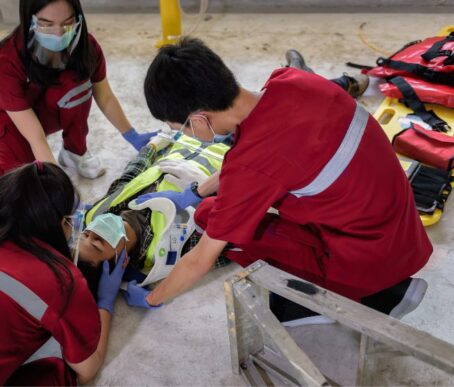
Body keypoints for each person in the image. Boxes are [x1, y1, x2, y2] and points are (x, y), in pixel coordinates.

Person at [122, 37, 432, 323]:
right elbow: (262, 163)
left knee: (211, 218)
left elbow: (200, 260)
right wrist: (191, 192)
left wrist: (151, 298)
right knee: (215, 206)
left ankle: (363, 296)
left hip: (368, 259)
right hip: (401, 226)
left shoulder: (252, 165)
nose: (183, 135)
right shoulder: (290, 80)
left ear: (200, 118)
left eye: (182, 128)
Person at [0, 162, 126, 385]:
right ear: (61, 223)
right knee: (58, 373)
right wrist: (105, 304)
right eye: (83, 234)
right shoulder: (61, 281)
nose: (87, 235)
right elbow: (87, 370)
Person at [0, 0, 157, 178]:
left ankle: (74, 151)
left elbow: (104, 97)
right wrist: (59, 186)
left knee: (77, 80)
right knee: (18, 181)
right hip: (9, 121)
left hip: (42, 111)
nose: (59, 33)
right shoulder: (7, 59)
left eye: (67, 23)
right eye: (46, 24)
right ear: (29, 20)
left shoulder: (86, 47)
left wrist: (132, 135)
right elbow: (35, 135)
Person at [74, 134, 231, 297]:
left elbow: (131, 175)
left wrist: (153, 146)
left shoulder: (97, 212)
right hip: (231, 158)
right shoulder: (168, 248)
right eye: (98, 242)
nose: (94, 231)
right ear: (123, 261)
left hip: (189, 138)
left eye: (85, 234)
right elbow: (229, 243)